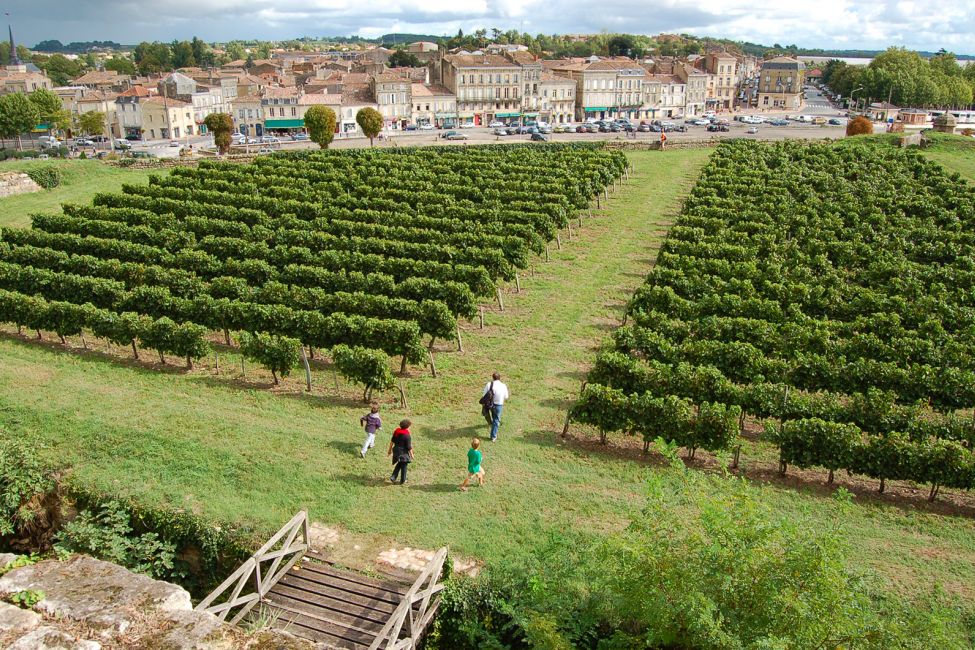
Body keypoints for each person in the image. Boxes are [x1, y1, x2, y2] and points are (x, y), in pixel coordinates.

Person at [481, 372, 510, 442]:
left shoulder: (489, 384)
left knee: (486, 414)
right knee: (496, 420)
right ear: (500, 378)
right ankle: (493, 437)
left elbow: (484, 394)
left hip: (489, 404)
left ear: (493, 378)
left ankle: (490, 423)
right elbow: (506, 397)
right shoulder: (503, 386)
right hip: (498, 405)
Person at [387, 419, 413, 485]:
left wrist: (389, 450)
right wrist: (412, 454)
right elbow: (409, 447)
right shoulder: (407, 435)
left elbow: (392, 441)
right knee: (404, 465)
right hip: (403, 452)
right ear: (407, 427)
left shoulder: (396, 432)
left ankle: (393, 477)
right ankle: (403, 480)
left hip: (396, 450)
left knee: (400, 463)